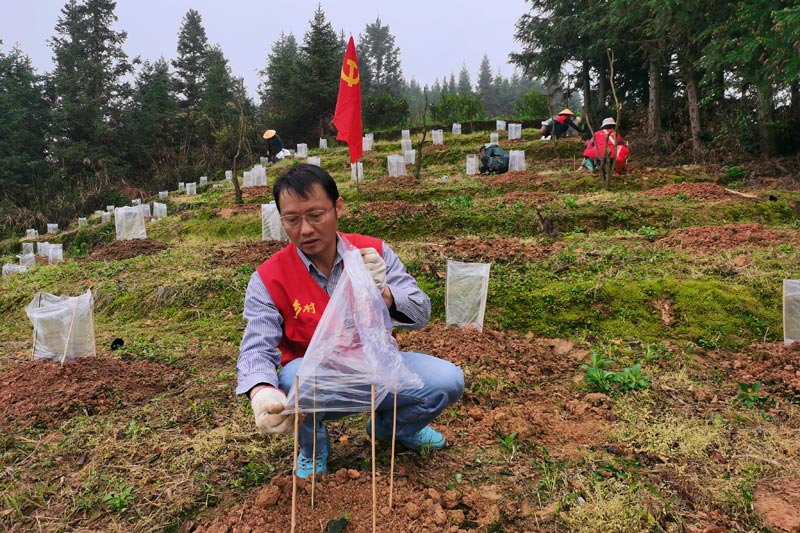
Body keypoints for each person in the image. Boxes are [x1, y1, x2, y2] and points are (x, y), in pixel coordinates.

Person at [237, 164, 464, 479]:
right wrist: (261, 390)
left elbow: (421, 313)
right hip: (322, 380)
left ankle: (390, 429)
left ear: (338, 207)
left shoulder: (373, 253)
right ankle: (312, 448)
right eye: (292, 220)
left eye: (316, 215)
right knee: (291, 381)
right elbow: (255, 346)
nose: (305, 230)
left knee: (447, 381)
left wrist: (384, 293)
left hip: (379, 367)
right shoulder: (269, 278)